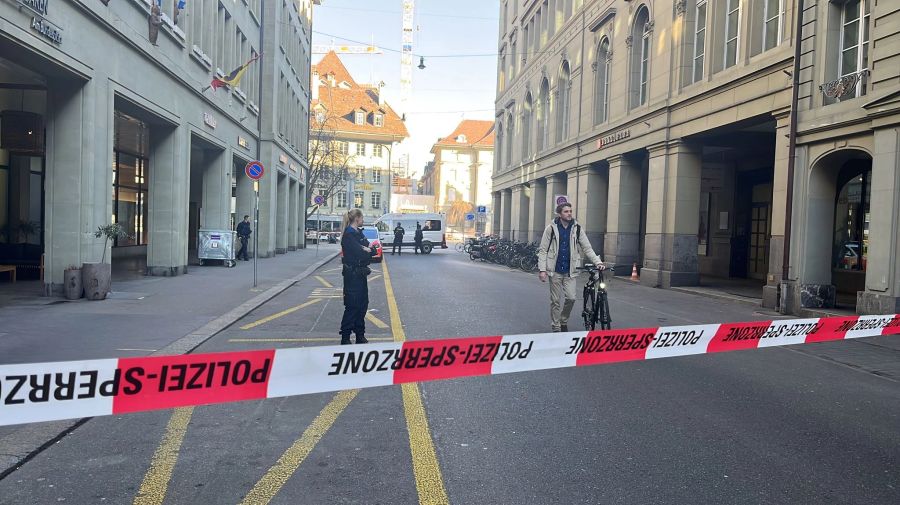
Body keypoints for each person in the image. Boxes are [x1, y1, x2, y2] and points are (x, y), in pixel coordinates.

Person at [537, 202, 605, 332]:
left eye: (570, 211)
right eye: (566, 211)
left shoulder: (577, 228)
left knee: (571, 298)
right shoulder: (551, 229)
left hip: (570, 270)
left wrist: (598, 262)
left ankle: (563, 320)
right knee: (555, 301)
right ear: (559, 214)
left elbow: (587, 248)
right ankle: (556, 327)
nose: (569, 214)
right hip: (555, 270)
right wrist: (542, 270)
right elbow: (543, 250)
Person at [339, 209, 376, 345]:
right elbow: (361, 254)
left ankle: (360, 335)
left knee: (362, 305)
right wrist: (366, 250)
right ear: (357, 218)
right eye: (362, 217)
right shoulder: (349, 235)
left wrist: (367, 250)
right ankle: (346, 337)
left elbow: (371, 250)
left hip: (360, 274)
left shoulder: (358, 233)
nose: (363, 220)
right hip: (352, 275)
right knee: (352, 306)